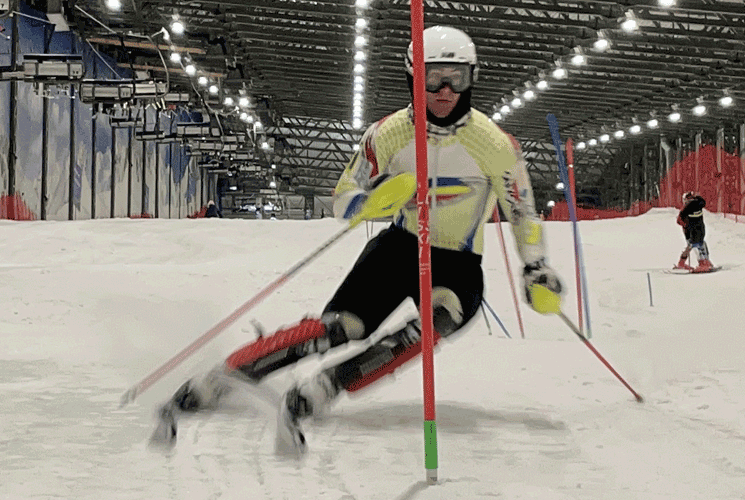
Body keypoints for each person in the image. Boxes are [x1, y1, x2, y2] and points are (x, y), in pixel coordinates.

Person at [162, 26, 564, 451]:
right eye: (434, 78)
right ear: (414, 78)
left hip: (457, 262)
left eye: (457, 78)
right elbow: (344, 194)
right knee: (342, 328)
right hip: (398, 249)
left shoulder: (496, 145)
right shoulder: (387, 134)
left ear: (472, 78)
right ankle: (227, 375)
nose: (445, 90)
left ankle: (328, 385)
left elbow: (522, 211)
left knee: (431, 326)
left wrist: (534, 264)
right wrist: (369, 202)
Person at [675, 191, 714, 272]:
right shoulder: (689, 207)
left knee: (693, 245)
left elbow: (702, 202)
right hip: (692, 231)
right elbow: (679, 220)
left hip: (694, 230)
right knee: (698, 245)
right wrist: (686, 225)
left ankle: (682, 263)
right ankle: (703, 262)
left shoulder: (694, 204)